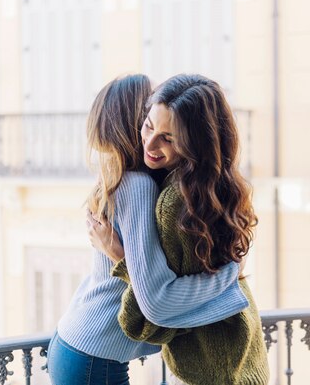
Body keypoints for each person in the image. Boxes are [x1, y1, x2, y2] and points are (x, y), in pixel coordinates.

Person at [47, 74, 250, 385]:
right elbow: (156, 300)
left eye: (168, 135)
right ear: (135, 120)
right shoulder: (138, 187)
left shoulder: (126, 180)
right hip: (93, 357)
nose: (153, 138)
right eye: (148, 122)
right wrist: (228, 276)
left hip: (80, 345)